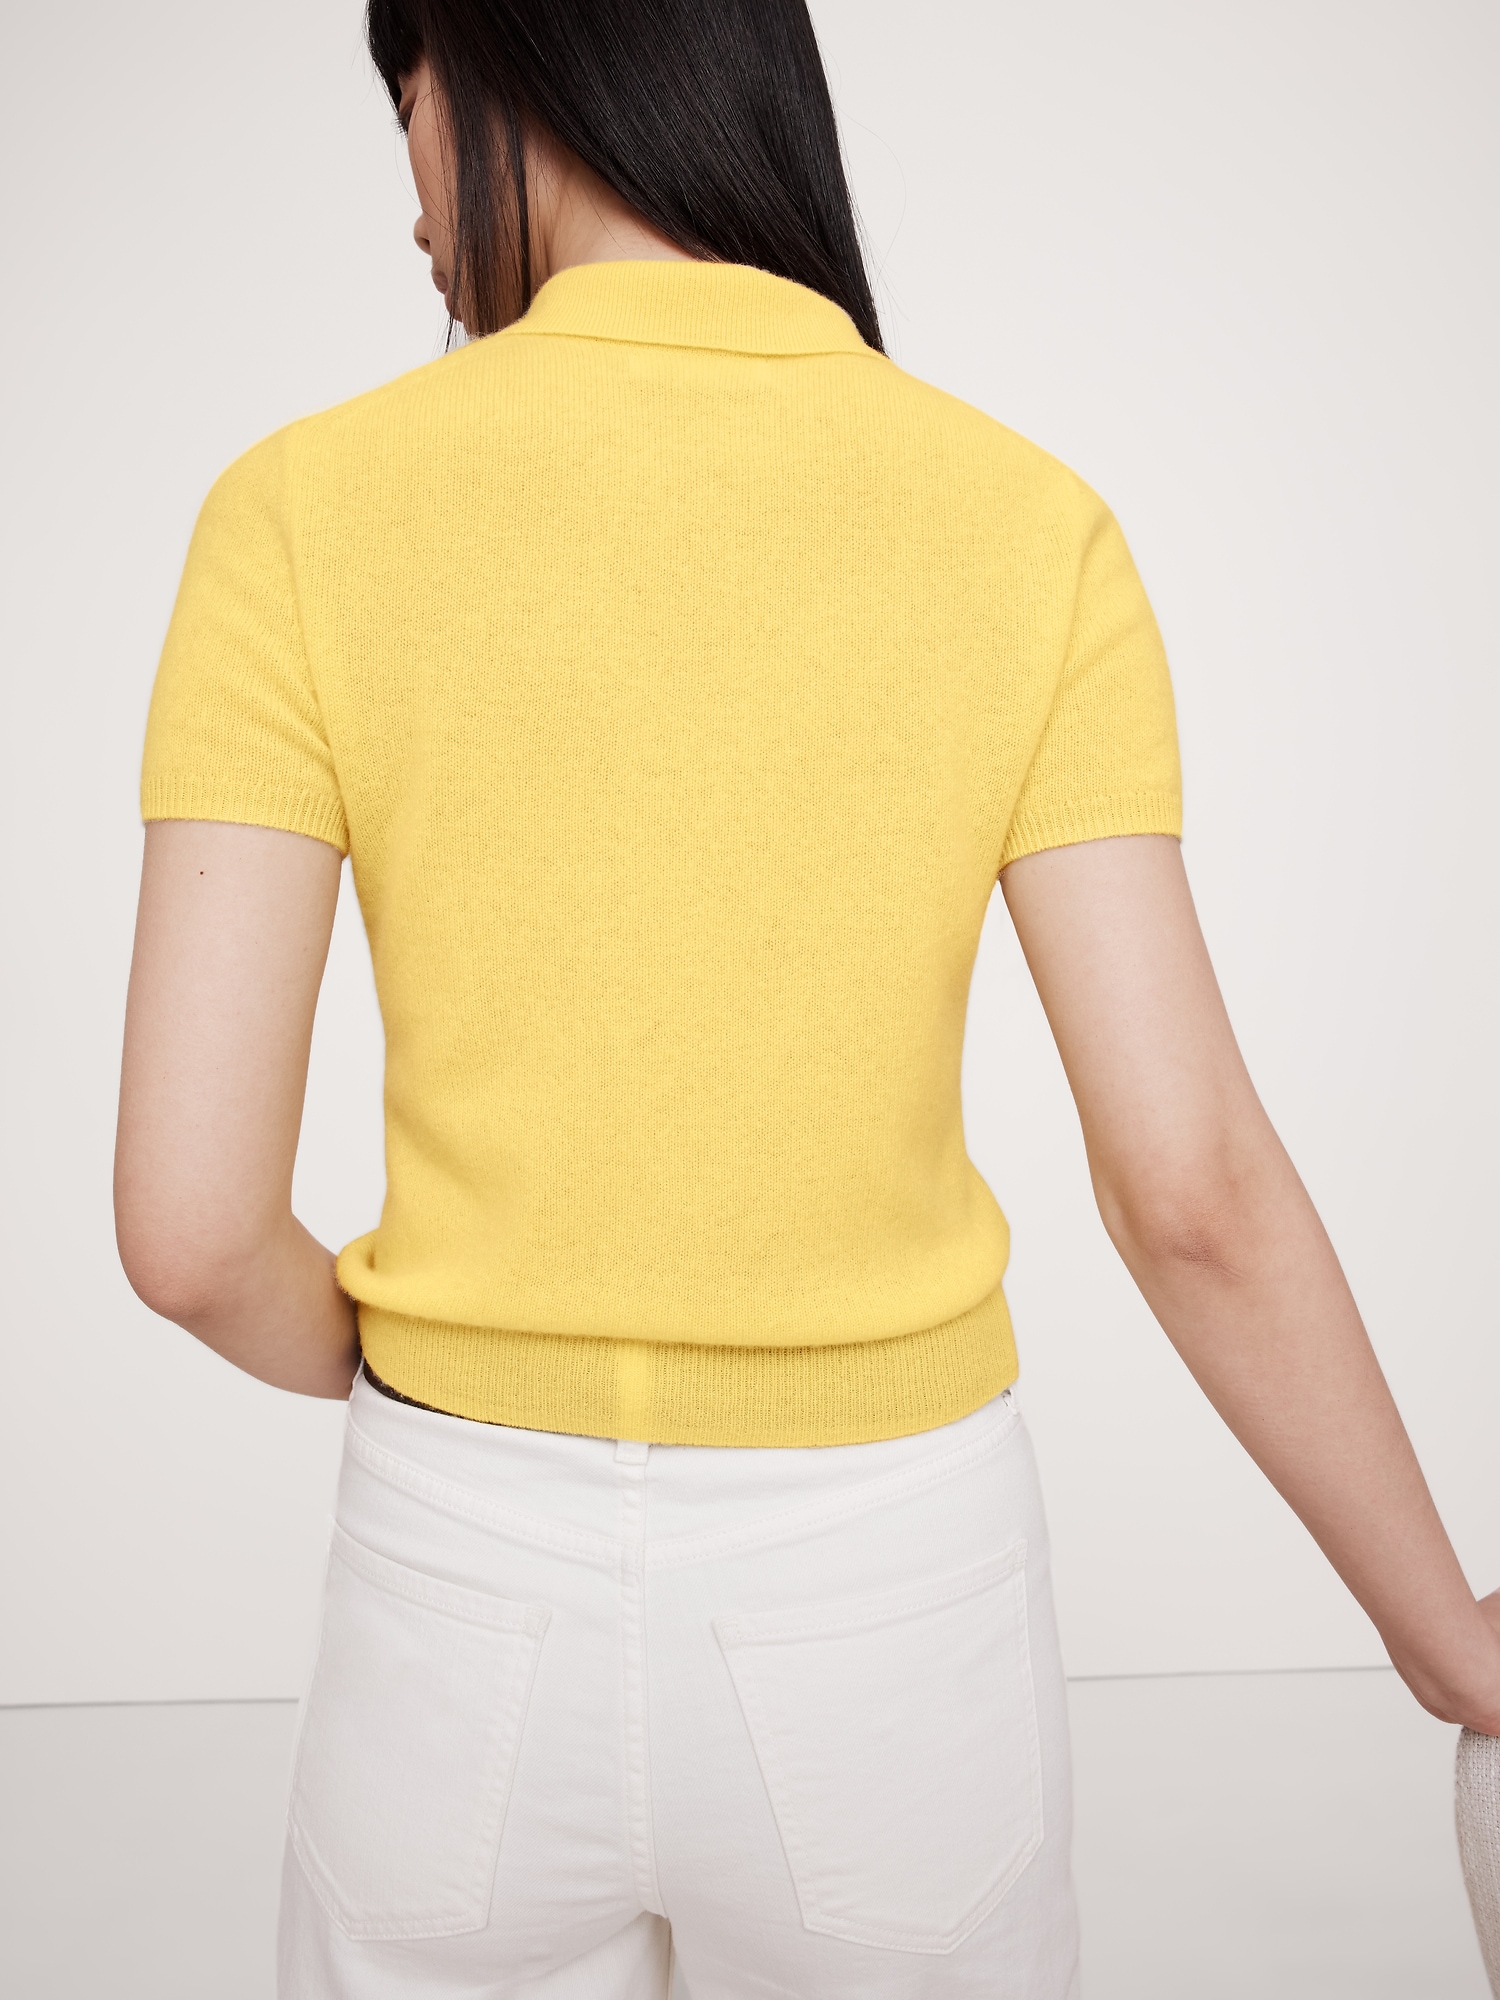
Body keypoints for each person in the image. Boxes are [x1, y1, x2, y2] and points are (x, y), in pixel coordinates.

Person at [113, 2, 1500, 1994]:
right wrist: (1446, 1634)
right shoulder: (1022, 521)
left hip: (456, 1598)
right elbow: (1191, 1184)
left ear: (507, 66)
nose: (409, 193)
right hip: (889, 1610)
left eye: (403, 100)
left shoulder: (297, 509)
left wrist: (442, 1367)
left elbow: (186, 1231)